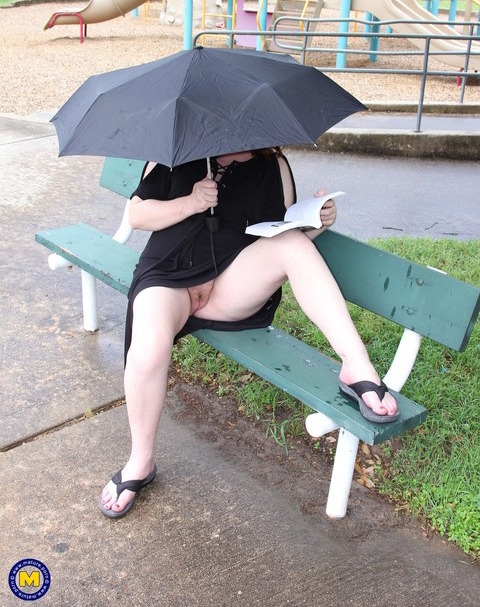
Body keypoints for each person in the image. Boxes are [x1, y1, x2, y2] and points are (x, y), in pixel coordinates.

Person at [99, 148, 399, 518]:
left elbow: (281, 230)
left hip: (230, 284)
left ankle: (357, 365)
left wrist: (317, 220)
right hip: (168, 277)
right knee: (148, 351)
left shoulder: (273, 166)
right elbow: (137, 214)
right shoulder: (177, 153)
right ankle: (140, 462)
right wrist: (191, 202)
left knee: (294, 245)